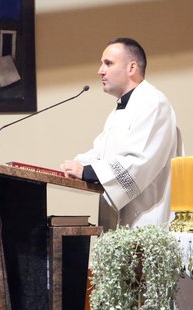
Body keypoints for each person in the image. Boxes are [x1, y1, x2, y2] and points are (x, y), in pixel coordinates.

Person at [60, 37, 182, 228]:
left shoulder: (153, 102)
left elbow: (139, 161)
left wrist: (86, 171)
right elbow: (100, 153)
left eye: (108, 63)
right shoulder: (120, 110)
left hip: (146, 220)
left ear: (131, 68)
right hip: (120, 224)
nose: (100, 71)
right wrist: (75, 166)